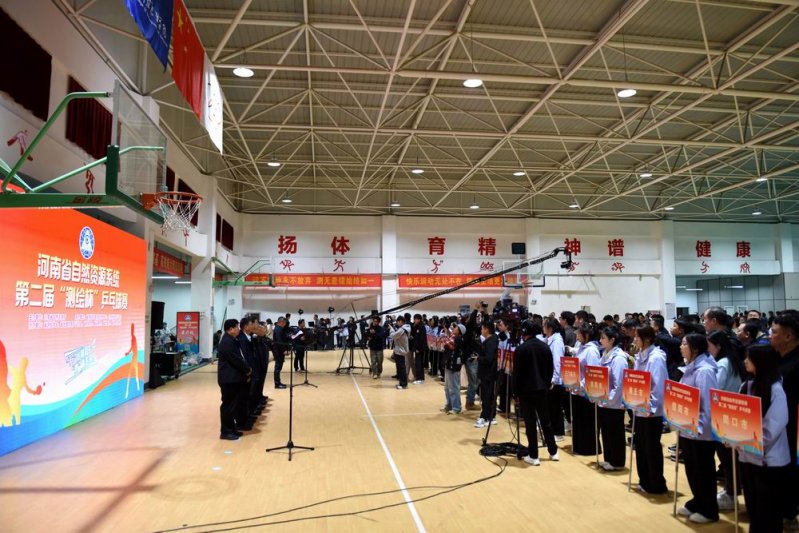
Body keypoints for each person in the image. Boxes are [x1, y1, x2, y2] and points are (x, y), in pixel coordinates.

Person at [738, 345, 792, 533]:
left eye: (749, 358)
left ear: (761, 362)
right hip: (748, 456)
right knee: (753, 505)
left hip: (769, 460)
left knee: (768, 509)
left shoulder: (776, 389)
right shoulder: (747, 385)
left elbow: (773, 427)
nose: (745, 361)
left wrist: (747, 441)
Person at [676, 333, 719, 524]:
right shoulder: (691, 367)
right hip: (688, 427)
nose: (681, 347)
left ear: (694, 348)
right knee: (692, 470)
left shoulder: (705, 371)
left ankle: (708, 510)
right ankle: (697, 500)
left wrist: (698, 428)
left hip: (700, 432)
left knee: (703, 471)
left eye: (684, 344)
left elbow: (708, 405)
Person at [707, 330, 747, 511]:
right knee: (731, 457)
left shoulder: (723, 363)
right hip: (731, 413)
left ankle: (731, 492)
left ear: (718, 346)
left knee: (727, 457)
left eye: (709, 346)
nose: (707, 350)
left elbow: (716, 387)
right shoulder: (731, 361)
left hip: (723, 414)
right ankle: (732, 489)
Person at [513, 320, 559, 466]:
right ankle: (553, 452)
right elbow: (550, 369)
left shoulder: (521, 349)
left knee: (530, 424)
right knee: (546, 421)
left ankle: (534, 456)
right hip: (542, 390)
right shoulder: (545, 347)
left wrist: (515, 393)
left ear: (524, 333)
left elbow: (517, 374)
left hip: (526, 392)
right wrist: (546, 384)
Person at [768, 314, 799, 530]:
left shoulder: (796, 364)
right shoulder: (774, 358)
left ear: (788, 337)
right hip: (774, 425)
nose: (770, 335)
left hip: (793, 427)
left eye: (774, 332)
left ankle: (789, 513)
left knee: (790, 470)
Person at [631, 326, 668, 494]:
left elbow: (658, 386)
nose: (634, 340)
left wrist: (650, 408)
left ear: (647, 339)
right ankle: (644, 480)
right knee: (641, 447)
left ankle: (656, 483)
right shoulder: (640, 356)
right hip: (639, 407)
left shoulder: (656, 358)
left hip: (651, 412)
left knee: (651, 448)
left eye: (637, 337)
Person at [597, 326, 629, 471]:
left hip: (614, 403)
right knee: (606, 432)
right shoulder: (605, 354)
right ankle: (609, 459)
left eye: (603, 338)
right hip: (604, 401)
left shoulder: (619, 358)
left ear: (612, 340)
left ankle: (617, 461)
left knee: (615, 433)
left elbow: (619, 384)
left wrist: (609, 400)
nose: (600, 340)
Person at [217, 319, 251, 440]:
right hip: (229, 379)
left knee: (232, 406)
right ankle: (226, 432)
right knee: (228, 406)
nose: (238, 329)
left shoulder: (231, 339)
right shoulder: (227, 342)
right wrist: (247, 369)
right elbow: (236, 359)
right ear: (231, 329)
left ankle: (231, 429)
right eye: (237, 327)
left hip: (233, 378)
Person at [572, 322, 601, 456]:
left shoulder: (591, 350)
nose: (577, 335)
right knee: (579, 420)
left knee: (587, 421)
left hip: (586, 392)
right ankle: (579, 446)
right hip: (577, 389)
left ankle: (588, 448)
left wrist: (581, 385)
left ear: (587, 335)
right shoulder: (581, 348)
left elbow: (592, 372)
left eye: (579, 333)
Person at [543, 318, 568, 440]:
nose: (543, 328)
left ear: (550, 328)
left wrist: (554, 379)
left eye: (545, 326)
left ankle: (558, 433)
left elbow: (557, 362)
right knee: (550, 406)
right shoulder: (549, 339)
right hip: (550, 377)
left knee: (555, 407)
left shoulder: (557, 341)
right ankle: (552, 431)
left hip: (555, 380)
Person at [475, 321, 499, 428]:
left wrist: (479, 358)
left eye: (482, 328)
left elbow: (489, 358)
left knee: (487, 396)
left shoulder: (491, 342)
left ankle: (485, 417)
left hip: (488, 373)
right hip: (487, 373)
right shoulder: (490, 340)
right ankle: (490, 416)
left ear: (487, 329)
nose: (481, 330)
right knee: (488, 395)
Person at [442, 323, 465, 414]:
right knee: (447, 387)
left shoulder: (458, 339)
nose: (454, 328)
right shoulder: (452, 337)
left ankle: (456, 407)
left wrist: (446, 342)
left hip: (454, 366)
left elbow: (447, 345)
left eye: (456, 327)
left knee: (453, 387)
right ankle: (449, 405)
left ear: (459, 331)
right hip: (449, 364)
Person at [389, 316, 411, 389]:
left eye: (397, 322)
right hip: (400, 350)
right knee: (401, 368)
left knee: (402, 368)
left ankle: (403, 384)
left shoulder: (402, 329)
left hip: (401, 351)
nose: (397, 323)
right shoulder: (404, 328)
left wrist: (391, 329)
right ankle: (402, 383)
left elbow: (393, 336)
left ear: (401, 321)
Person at [272, 316, 289, 389]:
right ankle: (277, 384)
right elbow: (279, 341)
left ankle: (278, 382)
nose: (285, 324)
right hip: (278, 351)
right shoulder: (278, 329)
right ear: (281, 322)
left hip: (278, 350)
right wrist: (284, 350)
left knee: (278, 367)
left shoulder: (278, 328)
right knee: (278, 368)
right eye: (284, 323)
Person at [411, 314, 428, 384]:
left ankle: (420, 379)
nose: (414, 320)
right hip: (417, 348)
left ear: (419, 319)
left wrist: (419, 348)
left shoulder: (421, 327)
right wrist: (414, 326)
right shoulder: (417, 326)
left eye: (415, 319)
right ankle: (419, 378)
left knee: (419, 363)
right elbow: (413, 334)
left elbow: (422, 339)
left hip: (420, 348)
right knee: (418, 363)